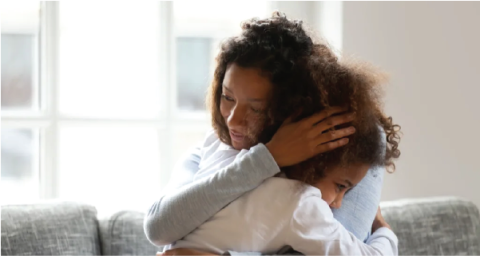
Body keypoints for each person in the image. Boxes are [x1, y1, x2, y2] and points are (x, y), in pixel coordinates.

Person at [144, 12, 401, 256]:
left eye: (256, 108)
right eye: (227, 97)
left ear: (289, 110)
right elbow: (159, 227)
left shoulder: (346, 146)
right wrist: (268, 157)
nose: (233, 120)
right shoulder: (215, 146)